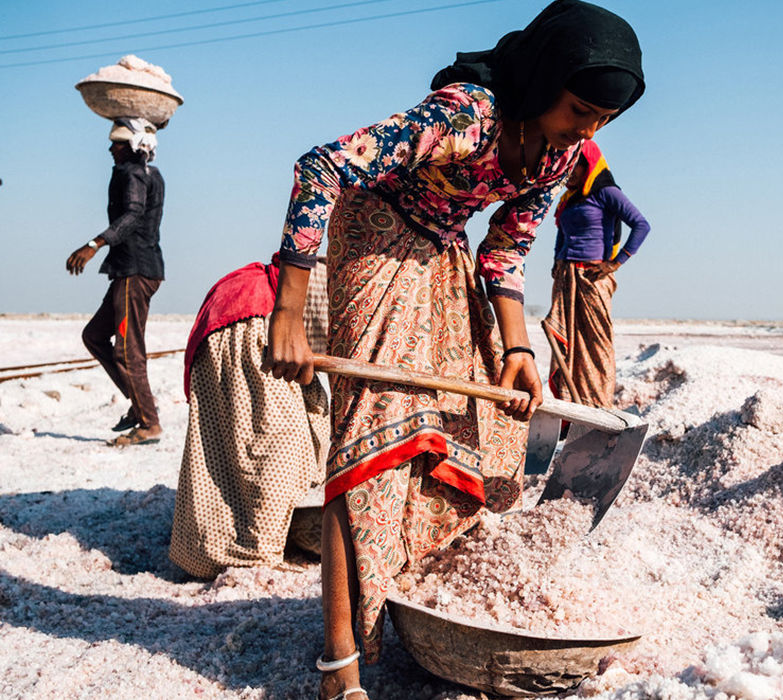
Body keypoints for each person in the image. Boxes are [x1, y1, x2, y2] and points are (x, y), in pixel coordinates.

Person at [261, 2, 644, 697]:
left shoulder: (560, 153)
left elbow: (507, 249)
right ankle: (340, 662)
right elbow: (319, 168)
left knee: (485, 429)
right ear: (544, 80)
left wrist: (519, 348)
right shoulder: (464, 115)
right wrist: (290, 311)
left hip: (443, 255)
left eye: (604, 119)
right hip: (374, 239)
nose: (589, 130)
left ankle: (415, 601)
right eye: (580, 109)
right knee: (370, 434)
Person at [169, 255, 330, 579]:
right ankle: (252, 553)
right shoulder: (369, 290)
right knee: (273, 447)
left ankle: (215, 544)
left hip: (238, 312)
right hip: (252, 324)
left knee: (231, 451)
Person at [65, 117, 165, 447]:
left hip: (134, 272)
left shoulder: (133, 173)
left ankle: (149, 422)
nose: (111, 149)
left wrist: (95, 244)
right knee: (94, 335)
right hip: (132, 269)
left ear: (134, 146)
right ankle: (141, 405)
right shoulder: (151, 173)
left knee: (126, 350)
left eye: (118, 143)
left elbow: (133, 215)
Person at [543, 139, 649, 408]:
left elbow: (641, 225)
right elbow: (561, 233)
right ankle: (572, 410)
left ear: (587, 164)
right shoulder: (569, 200)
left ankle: (599, 405)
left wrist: (615, 262)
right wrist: (558, 260)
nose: (567, 171)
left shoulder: (606, 193)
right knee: (569, 348)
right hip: (567, 278)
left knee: (596, 346)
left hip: (593, 279)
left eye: (572, 165)